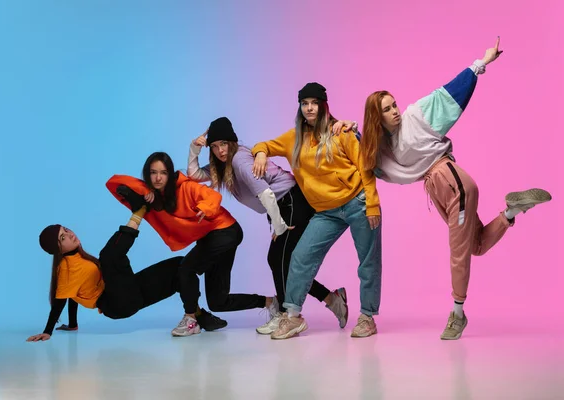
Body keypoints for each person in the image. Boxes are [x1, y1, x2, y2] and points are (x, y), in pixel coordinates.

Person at [359, 37, 552, 340]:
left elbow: (449, 94)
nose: (395, 110)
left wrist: (482, 62)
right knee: (474, 246)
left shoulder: (416, 115)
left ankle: (457, 315)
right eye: (387, 109)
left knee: (458, 253)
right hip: (440, 189)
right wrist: (339, 126)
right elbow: (363, 156)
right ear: (377, 117)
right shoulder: (382, 148)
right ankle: (512, 210)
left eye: (394, 104)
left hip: (451, 180)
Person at [186, 116, 349, 334]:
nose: (220, 151)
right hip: (282, 206)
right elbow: (195, 175)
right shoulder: (222, 165)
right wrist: (193, 149)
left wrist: (280, 226)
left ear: (232, 142)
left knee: (278, 259)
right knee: (286, 262)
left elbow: (266, 193)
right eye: (214, 146)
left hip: (291, 201)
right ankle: (330, 299)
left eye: (224, 144)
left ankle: (288, 314)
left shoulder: (239, 160)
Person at [252, 82, 382, 339]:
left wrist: (372, 204)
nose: (309, 108)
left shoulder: (340, 132)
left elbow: (365, 167)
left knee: (368, 262)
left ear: (323, 106)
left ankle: (367, 316)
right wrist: (259, 154)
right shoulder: (293, 138)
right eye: (304, 103)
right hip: (325, 212)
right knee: (300, 258)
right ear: (300, 107)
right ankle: (293, 317)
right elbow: (263, 145)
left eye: (314, 103)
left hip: (357, 202)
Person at [106, 152, 277, 337]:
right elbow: (116, 181)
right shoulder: (153, 195)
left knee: (186, 268)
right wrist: (145, 190)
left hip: (226, 231)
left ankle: (190, 319)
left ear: (170, 174)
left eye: (163, 173)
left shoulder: (185, 187)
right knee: (218, 301)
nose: (157, 178)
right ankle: (270, 303)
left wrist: (205, 208)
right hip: (212, 237)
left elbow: (212, 197)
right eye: (153, 172)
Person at [26, 189, 225, 342]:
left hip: (128, 292)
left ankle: (196, 316)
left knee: (180, 266)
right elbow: (62, 299)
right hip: (116, 303)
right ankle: (139, 211)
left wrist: (72, 325)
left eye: (66, 230)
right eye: (63, 238)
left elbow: (73, 295)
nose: (70, 234)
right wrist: (47, 331)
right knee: (109, 255)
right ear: (59, 249)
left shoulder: (78, 258)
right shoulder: (66, 270)